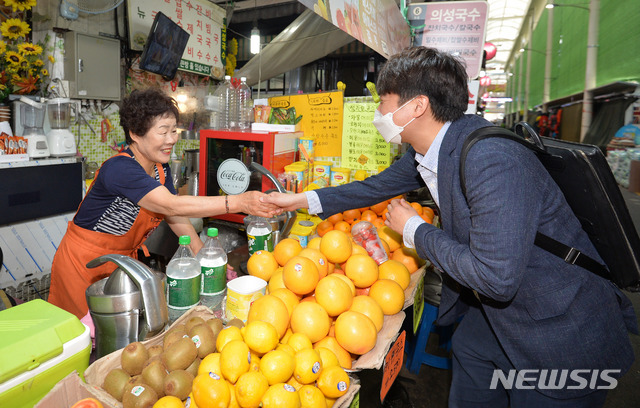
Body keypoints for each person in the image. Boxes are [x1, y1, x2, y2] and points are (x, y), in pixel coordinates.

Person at [263, 46, 637, 406]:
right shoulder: (433, 149)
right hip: (497, 316)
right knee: (470, 360)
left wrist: (413, 230)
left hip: (557, 330)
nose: (377, 111)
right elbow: (373, 188)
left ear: (417, 106)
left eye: (383, 101)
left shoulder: (493, 160)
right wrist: (299, 200)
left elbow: (495, 277)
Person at [49, 88, 277, 319]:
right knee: (80, 337)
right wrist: (238, 202)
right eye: (163, 132)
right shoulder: (120, 169)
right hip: (83, 265)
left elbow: (173, 216)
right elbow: (171, 205)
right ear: (136, 134)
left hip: (120, 265)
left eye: (174, 131)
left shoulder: (160, 168)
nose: (172, 139)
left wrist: (203, 255)